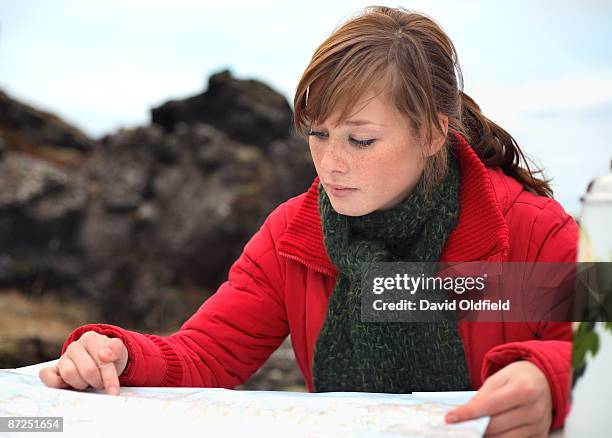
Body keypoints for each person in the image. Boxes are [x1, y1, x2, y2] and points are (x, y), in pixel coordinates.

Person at [40, 5, 577, 436]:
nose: (331, 162)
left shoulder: (528, 230)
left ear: (433, 134)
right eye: (318, 134)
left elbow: (597, 350)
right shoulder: (294, 236)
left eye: (361, 140)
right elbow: (206, 354)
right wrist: (119, 353)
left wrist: (550, 379)